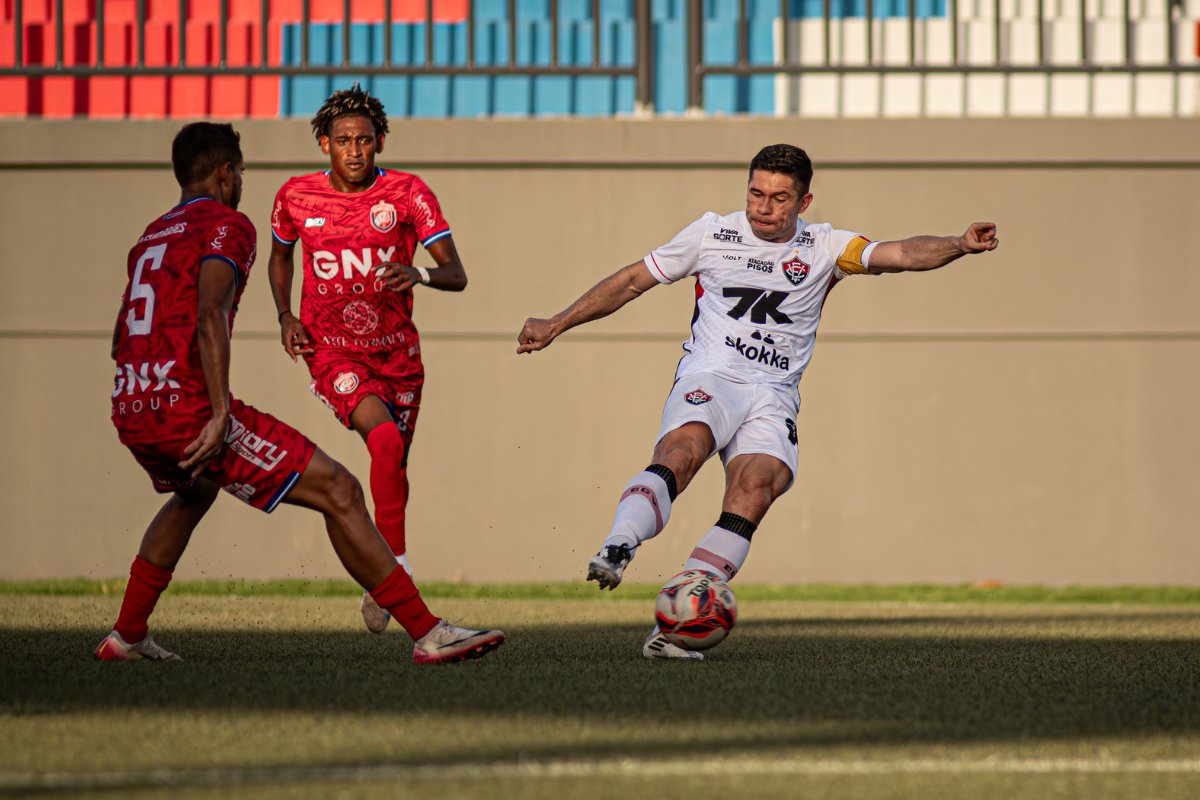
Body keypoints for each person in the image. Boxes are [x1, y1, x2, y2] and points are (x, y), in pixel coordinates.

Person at [517, 143, 998, 661]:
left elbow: (900, 254)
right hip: (712, 375)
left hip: (773, 394)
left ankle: (677, 623)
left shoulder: (827, 246)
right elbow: (633, 281)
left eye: (779, 198)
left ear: (804, 202)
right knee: (683, 451)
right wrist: (557, 323)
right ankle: (619, 543)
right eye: (756, 193)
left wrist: (958, 244)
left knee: (759, 486)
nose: (763, 207)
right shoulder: (711, 233)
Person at [97, 122, 504, 665]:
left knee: (195, 492)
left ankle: (126, 634)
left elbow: (121, 336)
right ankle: (429, 633)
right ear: (226, 173)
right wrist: (218, 413)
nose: (242, 182)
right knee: (339, 490)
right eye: (241, 172)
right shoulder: (227, 225)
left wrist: (146, 393)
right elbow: (211, 313)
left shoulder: (151, 236)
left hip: (131, 404)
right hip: (188, 408)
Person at [268, 85, 466, 635]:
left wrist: (419, 273)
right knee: (383, 442)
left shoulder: (408, 193)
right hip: (332, 350)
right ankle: (395, 572)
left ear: (379, 141)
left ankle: (379, 567)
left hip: (398, 354)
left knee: (394, 465)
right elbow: (280, 257)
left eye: (363, 140)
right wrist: (285, 315)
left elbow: (456, 273)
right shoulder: (296, 196)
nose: (354, 150)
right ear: (324, 145)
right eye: (343, 141)